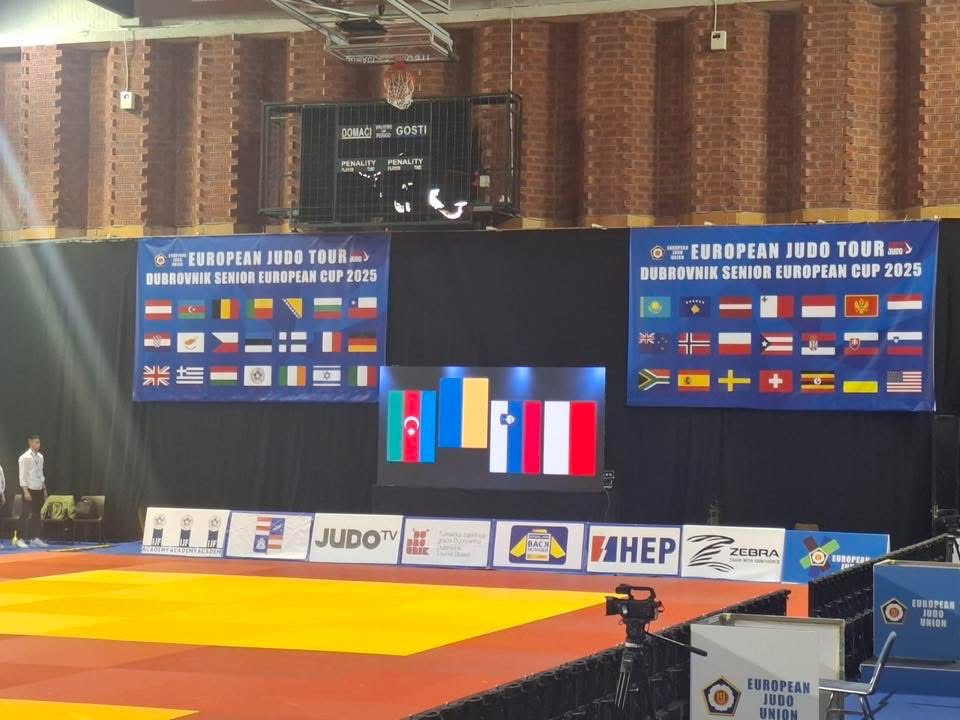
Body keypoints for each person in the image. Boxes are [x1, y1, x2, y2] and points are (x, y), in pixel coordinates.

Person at [17, 435, 47, 548]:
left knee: (36, 514)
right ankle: (18, 538)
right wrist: (25, 491)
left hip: (38, 488)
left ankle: (34, 538)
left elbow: (41, 473)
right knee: (25, 513)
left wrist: (44, 489)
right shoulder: (24, 457)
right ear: (30, 442)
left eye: (39, 442)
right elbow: (22, 476)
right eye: (36, 442)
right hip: (28, 488)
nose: (38, 445)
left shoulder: (40, 456)